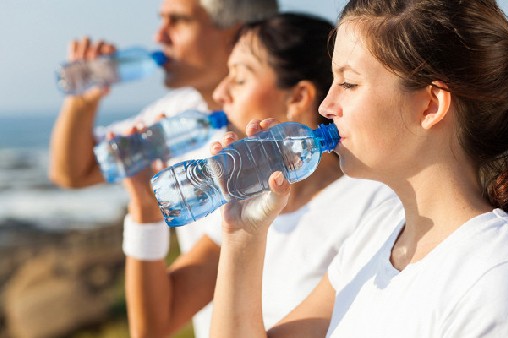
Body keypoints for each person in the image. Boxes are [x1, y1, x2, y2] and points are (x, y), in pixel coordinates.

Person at [209, 0, 508, 337]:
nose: (326, 106)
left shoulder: (493, 278)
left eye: (349, 84)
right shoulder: (379, 231)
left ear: (431, 105)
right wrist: (243, 236)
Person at [123, 12, 397, 338]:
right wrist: (144, 208)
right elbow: (154, 325)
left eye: (239, 78)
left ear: (298, 98)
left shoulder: (372, 207)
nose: (221, 93)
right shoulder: (248, 199)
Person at [48, 0, 278, 337]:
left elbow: (156, 323)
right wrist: (83, 102)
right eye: (162, 20)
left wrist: (145, 207)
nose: (159, 35)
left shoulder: (263, 147)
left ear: (238, 32)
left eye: (179, 21)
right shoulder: (183, 110)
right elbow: (72, 172)